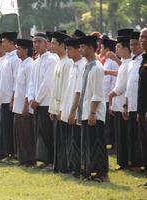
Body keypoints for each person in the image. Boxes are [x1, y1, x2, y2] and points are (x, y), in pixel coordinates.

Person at [78, 35, 109, 182]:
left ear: (91, 48)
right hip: (86, 111)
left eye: (83, 47)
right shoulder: (87, 65)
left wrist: (92, 113)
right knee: (89, 143)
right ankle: (90, 171)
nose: (80, 50)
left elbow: (97, 94)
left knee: (97, 143)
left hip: (94, 113)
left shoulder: (97, 67)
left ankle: (102, 173)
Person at [28, 32, 57, 169]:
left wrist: (37, 99)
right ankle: (44, 160)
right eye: (34, 42)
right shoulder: (35, 61)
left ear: (47, 43)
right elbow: (31, 82)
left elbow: (48, 82)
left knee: (48, 133)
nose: (36, 44)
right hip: (36, 103)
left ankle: (51, 161)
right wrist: (31, 97)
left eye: (39, 41)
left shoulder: (51, 60)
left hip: (46, 102)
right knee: (39, 132)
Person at [49, 31, 73, 173]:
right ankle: (59, 166)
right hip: (56, 107)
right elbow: (54, 88)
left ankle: (65, 166)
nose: (51, 46)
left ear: (62, 45)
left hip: (63, 109)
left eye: (54, 43)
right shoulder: (59, 61)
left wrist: (61, 110)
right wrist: (52, 109)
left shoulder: (67, 63)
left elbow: (66, 90)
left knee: (65, 139)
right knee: (58, 139)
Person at [62, 37, 86, 177]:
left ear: (78, 50)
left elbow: (78, 91)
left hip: (77, 110)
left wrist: (73, 111)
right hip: (69, 107)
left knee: (77, 140)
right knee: (71, 139)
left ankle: (78, 167)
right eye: (66, 49)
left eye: (70, 49)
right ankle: (73, 166)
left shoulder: (82, 66)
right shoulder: (73, 65)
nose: (67, 52)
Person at [108, 33, 132, 170]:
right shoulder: (124, 63)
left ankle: (125, 161)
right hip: (118, 104)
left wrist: (110, 95)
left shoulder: (129, 64)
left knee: (124, 135)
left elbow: (121, 87)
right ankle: (122, 161)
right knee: (119, 135)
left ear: (125, 48)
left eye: (118, 47)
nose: (116, 50)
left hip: (123, 103)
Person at [0, 31, 21, 158]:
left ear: (12, 43)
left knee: (11, 127)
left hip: (10, 98)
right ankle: (9, 152)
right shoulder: (6, 58)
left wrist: (12, 98)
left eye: (5, 41)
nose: (2, 44)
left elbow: (16, 80)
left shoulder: (15, 58)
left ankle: (14, 152)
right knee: (6, 127)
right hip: (3, 97)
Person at [13, 39, 36, 166]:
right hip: (18, 104)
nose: (17, 51)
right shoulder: (21, 64)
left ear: (26, 50)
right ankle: (22, 158)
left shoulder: (29, 65)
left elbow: (29, 87)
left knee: (27, 133)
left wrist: (26, 106)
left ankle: (29, 159)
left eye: (19, 49)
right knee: (20, 133)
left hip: (24, 105)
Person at [124, 31, 145, 170]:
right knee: (135, 137)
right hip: (133, 105)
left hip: (142, 106)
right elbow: (129, 85)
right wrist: (125, 104)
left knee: (141, 138)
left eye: (136, 44)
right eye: (131, 45)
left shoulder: (143, 60)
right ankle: (136, 164)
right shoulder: (133, 62)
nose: (133, 47)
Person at [101, 37, 119, 149]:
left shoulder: (113, 62)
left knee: (111, 123)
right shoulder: (107, 62)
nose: (101, 50)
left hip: (110, 97)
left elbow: (114, 82)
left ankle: (113, 144)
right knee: (108, 122)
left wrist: (111, 99)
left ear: (107, 49)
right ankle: (111, 144)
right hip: (105, 97)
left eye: (102, 48)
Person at [137, 27, 147, 188]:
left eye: (146, 37)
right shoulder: (143, 58)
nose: (143, 40)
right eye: (141, 37)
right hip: (142, 109)